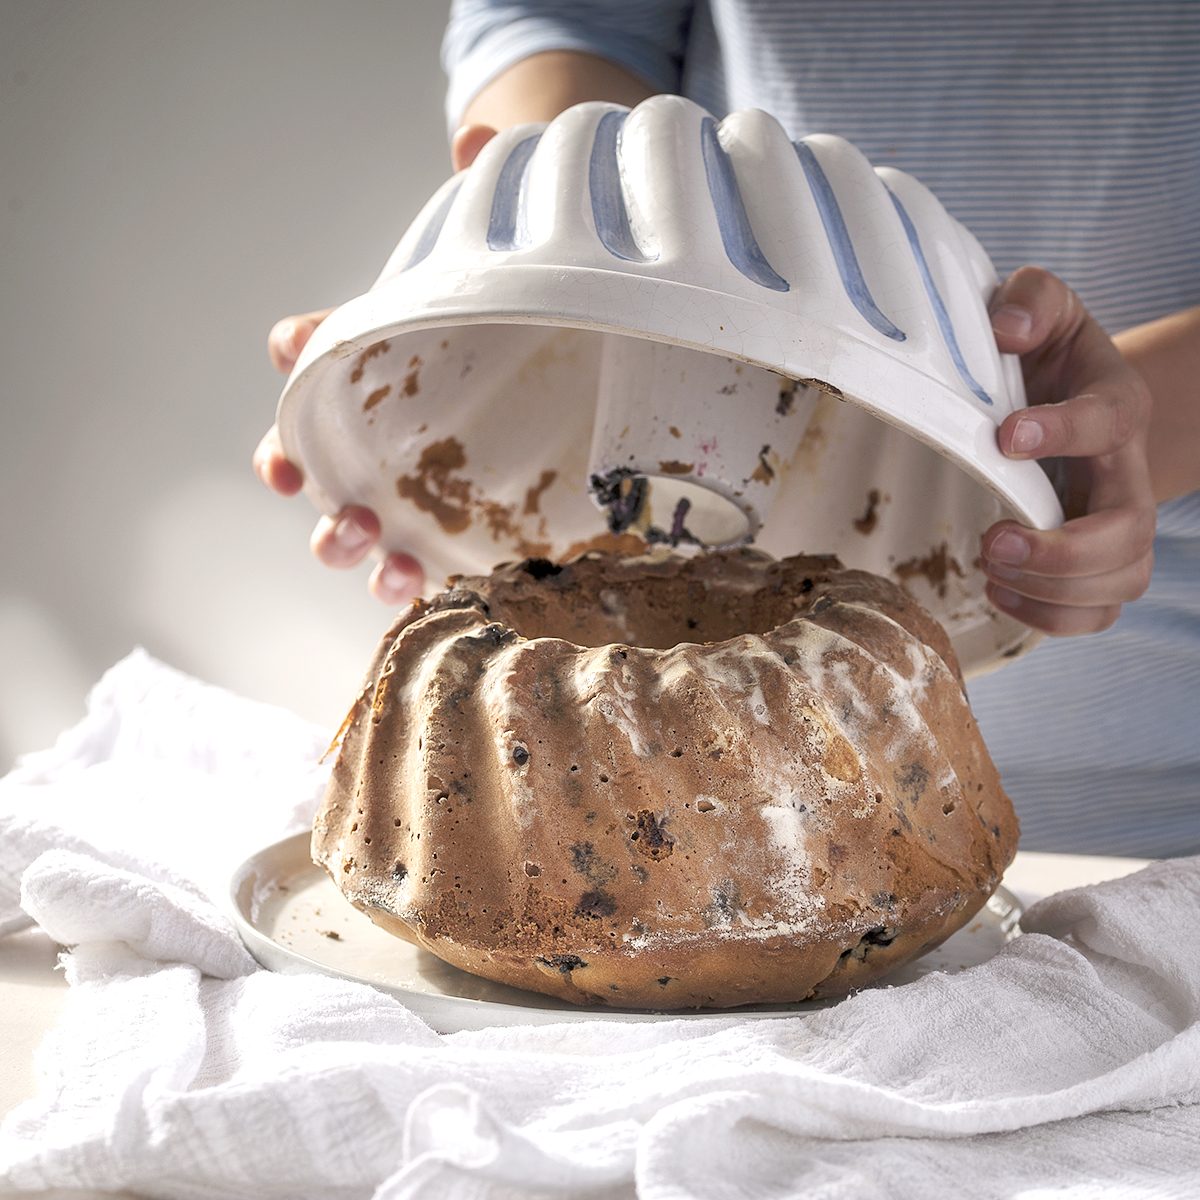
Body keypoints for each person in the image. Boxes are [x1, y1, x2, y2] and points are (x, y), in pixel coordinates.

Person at [253, 1, 1200, 857]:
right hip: (560, 823)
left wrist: (1084, 448)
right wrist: (551, 244)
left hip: (1163, 811)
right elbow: (568, 18)